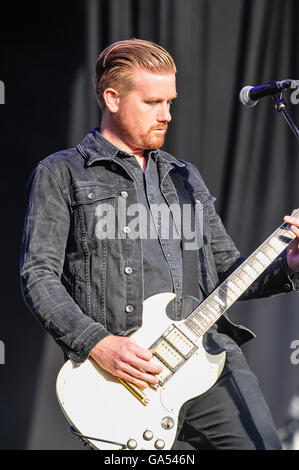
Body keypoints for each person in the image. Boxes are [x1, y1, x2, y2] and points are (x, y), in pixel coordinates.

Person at [20, 38, 299, 450]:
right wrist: (98, 343)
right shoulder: (62, 173)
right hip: (125, 375)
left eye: (170, 102)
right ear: (112, 98)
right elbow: (38, 275)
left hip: (209, 360)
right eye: (152, 102)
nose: (166, 115)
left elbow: (228, 272)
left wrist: (290, 262)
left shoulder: (186, 176)